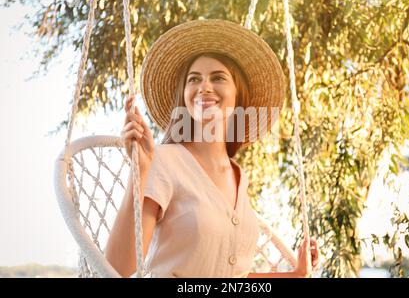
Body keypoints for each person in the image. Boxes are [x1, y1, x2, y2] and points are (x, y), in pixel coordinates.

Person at [105, 19, 319, 278]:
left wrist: (297, 274)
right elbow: (118, 268)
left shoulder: (238, 175)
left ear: (239, 95)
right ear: (184, 95)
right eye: (193, 79)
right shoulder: (163, 160)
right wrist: (139, 170)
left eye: (217, 78)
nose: (204, 87)